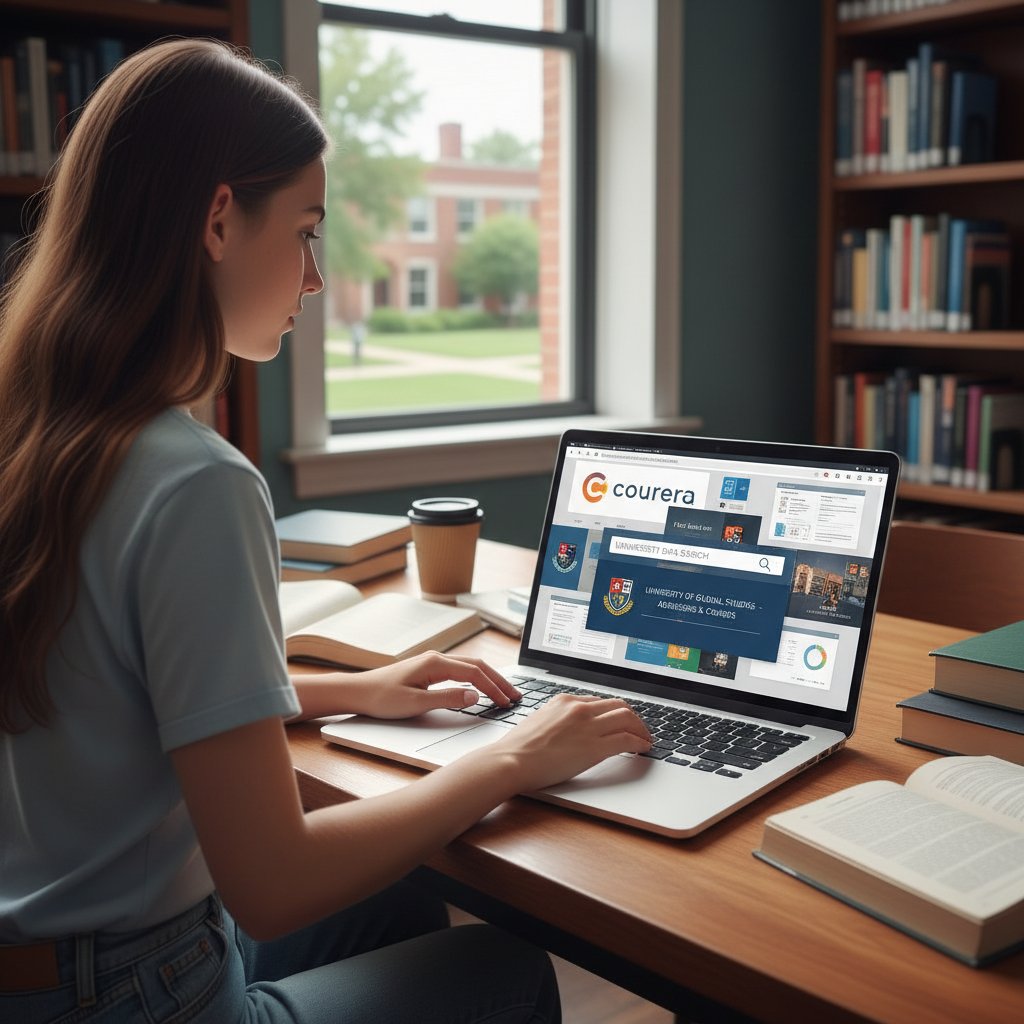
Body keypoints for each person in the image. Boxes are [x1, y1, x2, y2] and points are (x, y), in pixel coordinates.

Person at [0, 38, 651, 1023]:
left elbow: (103, 693)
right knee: (505, 971)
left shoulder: (39, 426)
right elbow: (273, 883)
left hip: (43, 969)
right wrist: (511, 760)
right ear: (219, 219)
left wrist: (346, 690)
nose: (313, 277)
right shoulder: (192, 482)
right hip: (143, 995)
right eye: (306, 231)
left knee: (401, 893)